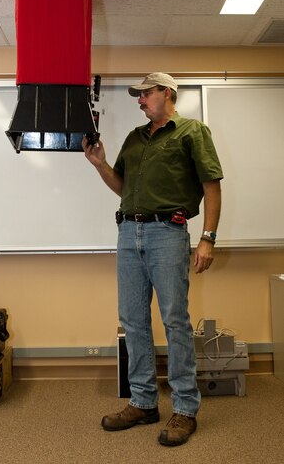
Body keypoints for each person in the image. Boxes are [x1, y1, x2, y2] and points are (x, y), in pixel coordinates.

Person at [82, 72, 223, 447]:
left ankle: (185, 409)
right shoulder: (134, 138)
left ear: (167, 93)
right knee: (132, 319)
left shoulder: (192, 131)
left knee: (175, 320)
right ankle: (143, 402)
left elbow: (211, 185)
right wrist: (100, 164)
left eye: (146, 93)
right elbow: (123, 188)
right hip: (129, 232)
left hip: (168, 233)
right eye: (139, 95)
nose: (140, 100)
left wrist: (208, 238)